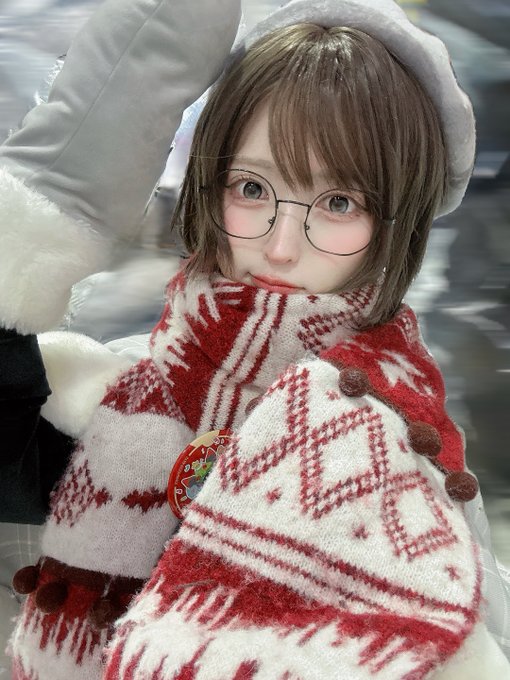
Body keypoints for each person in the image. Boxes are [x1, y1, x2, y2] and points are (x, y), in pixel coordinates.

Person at [3, 0, 510, 678]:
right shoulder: (115, 398)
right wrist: (38, 229)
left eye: (338, 203)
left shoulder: (394, 447)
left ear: (396, 221)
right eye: (251, 187)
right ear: (209, 187)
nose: (280, 244)